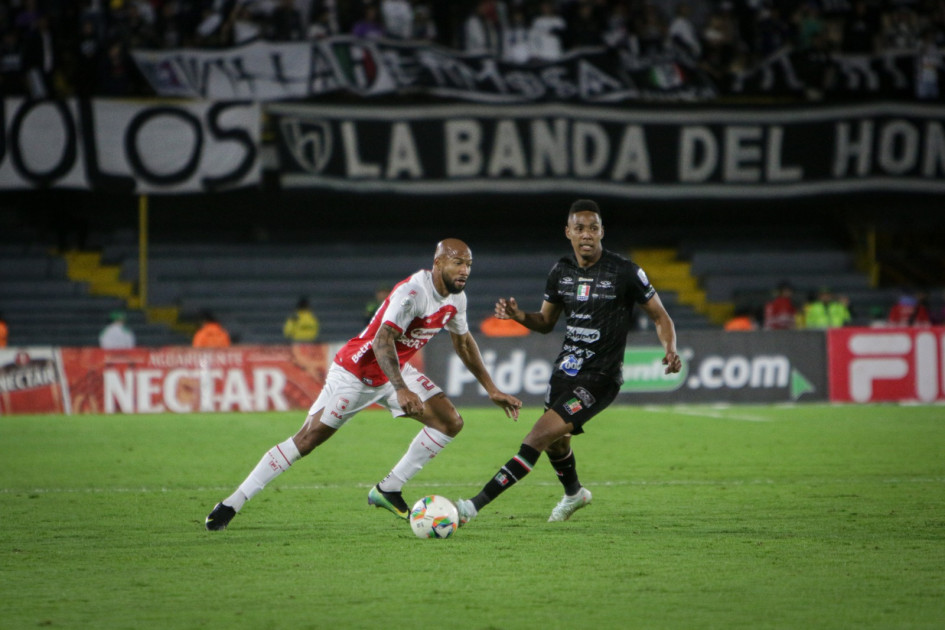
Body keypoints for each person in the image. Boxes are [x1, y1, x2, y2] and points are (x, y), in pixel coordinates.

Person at [206, 239, 522, 531]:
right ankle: (233, 503)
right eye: (458, 263)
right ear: (438, 263)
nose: (465, 271)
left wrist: (491, 388)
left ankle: (390, 488)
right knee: (307, 440)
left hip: (395, 371)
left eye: (468, 264)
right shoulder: (413, 293)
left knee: (450, 422)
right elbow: (382, 339)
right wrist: (401, 388)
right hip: (357, 372)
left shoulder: (457, 299)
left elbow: (464, 343)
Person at [452, 200, 682, 527]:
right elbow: (546, 322)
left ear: (602, 231)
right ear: (568, 232)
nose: (586, 234)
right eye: (579, 228)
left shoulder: (625, 271)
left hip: (600, 378)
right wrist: (519, 316)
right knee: (557, 444)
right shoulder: (561, 271)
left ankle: (472, 508)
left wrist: (670, 348)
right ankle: (574, 494)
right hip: (565, 371)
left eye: (593, 228)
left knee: (537, 438)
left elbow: (661, 316)